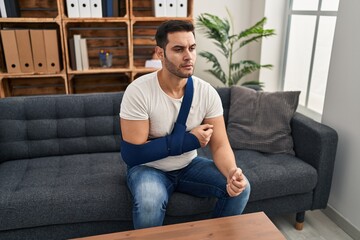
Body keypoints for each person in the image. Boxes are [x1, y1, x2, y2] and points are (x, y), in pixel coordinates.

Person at [119, 20, 250, 229]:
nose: (188, 56)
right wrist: (190, 140)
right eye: (178, 49)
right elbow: (134, 155)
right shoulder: (139, 91)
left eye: (192, 48)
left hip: (189, 166)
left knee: (241, 188)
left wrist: (232, 173)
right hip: (149, 169)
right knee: (149, 203)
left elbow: (220, 145)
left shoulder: (206, 92)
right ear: (160, 53)